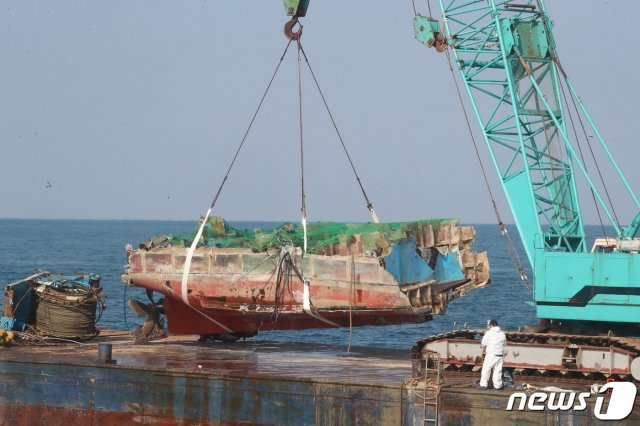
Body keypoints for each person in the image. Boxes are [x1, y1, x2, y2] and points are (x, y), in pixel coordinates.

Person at [479, 319, 507, 390]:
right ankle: (498, 386)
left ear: (491, 325)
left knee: (486, 369)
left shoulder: (489, 333)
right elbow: (504, 344)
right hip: (499, 355)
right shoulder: (502, 333)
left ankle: (483, 385)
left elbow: (483, 343)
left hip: (491, 355)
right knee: (498, 371)